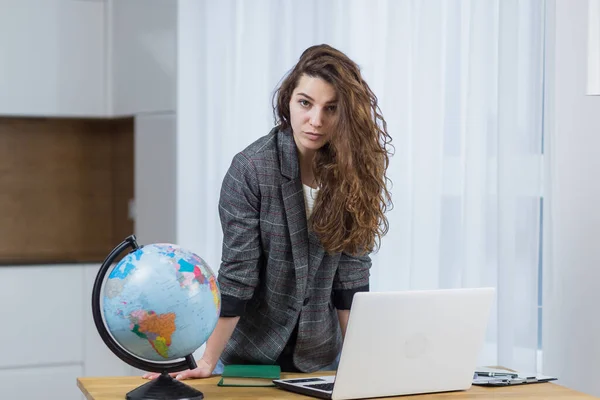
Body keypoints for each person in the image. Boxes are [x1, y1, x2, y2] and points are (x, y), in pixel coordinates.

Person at [144, 43, 392, 380]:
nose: (315, 121)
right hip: (248, 357)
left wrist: (362, 366)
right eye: (305, 103)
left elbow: (351, 281)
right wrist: (206, 362)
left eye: (331, 108)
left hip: (320, 358)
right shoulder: (251, 169)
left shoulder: (356, 173)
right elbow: (238, 275)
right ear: (288, 99)